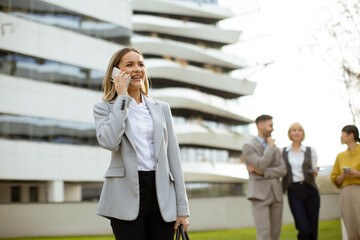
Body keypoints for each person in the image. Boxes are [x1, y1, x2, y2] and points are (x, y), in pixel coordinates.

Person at [93, 47, 190, 240]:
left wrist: (182, 209)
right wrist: (122, 98)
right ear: (116, 73)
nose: (137, 69)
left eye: (141, 64)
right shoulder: (104, 108)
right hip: (125, 194)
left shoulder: (162, 108)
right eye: (129, 65)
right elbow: (110, 142)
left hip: (161, 193)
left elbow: (174, 159)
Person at [242, 114, 287, 240]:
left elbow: (283, 170)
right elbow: (260, 165)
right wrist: (270, 147)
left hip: (276, 195)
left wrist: (264, 173)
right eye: (270, 125)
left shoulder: (275, 148)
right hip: (259, 195)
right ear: (260, 126)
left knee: (275, 235)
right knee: (264, 234)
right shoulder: (248, 146)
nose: (273, 129)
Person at [282, 123, 320, 240]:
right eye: (294, 130)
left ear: (303, 133)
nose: (297, 132)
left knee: (313, 230)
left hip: (310, 190)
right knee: (303, 229)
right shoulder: (283, 152)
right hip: (294, 191)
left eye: (299, 130)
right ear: (289, 133)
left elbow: (315, 170)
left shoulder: (310, 150)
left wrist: (315, 172)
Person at [330, 125, 360, 240]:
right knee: (351, 229)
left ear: (351, 135)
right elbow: (334, 178)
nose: (340, 137)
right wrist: (342, 175)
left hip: (359, 190)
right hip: (346, 193)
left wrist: (357, 174)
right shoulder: (340, 156)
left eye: (342, 134)